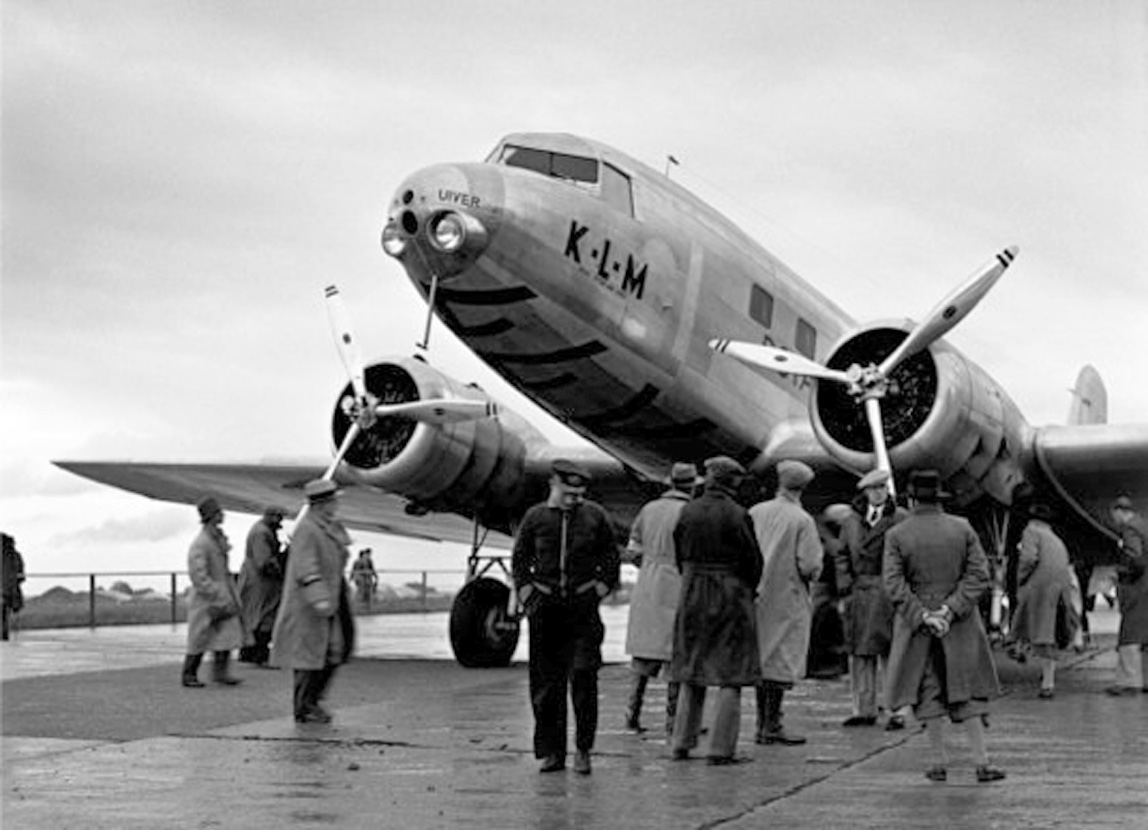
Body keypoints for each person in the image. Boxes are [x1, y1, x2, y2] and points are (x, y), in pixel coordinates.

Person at [884, 470, 1005, 783]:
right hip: (961, 625)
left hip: (918, 627)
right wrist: (950, 610)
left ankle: (938, 764)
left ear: (911, 499)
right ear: (939, 498)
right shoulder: (962, 528)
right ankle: (982, 763)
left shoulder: (897, 535)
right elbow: (980, 575)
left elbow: (894, 584)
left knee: (927, 690)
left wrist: (923, 615)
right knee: (968, 691)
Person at [511, 458, 620, 775]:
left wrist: (600, 587)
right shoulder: (535, 518)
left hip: (582, 609)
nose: (574, 500)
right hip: (545, 610)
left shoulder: (595, 517)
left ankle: (583, 750)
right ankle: (552, 752)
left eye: (579, 495)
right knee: (546, 685)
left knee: (584, 678)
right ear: (553, 486)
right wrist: (527, 593)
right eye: (568, 493)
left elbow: (610, 556)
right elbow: (520, 559)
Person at [669, 456, 762, 765]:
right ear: (732, 482)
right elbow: (752, 561)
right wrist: (746, 588)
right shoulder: (738, 514)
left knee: (690, 671)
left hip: (692, 589)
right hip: (729, 592)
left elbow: (679, 552)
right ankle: (721, 749)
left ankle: (681, 742)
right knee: (731, 674)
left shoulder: (688, 510)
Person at [621, 462, 697, 735]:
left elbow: (633, 549)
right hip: (678, 582)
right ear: (692, 485)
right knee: (676, 656)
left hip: (648, 583)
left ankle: (632, 714)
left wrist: (649, 565)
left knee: (643, 656)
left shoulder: (649, 509)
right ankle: (673, 719)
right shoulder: (690, 511)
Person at [749, 460, 822, 746]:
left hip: (757, 595)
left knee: (761, 659)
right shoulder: (802, 520)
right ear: (803, 487)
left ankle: (760, 723)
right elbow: (810, 565)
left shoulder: (756, 512)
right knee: (780, 661)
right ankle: (772, 724)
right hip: (787, 597)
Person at [272, 479, 356, 723]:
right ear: (323, 504)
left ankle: (311, 702)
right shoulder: (307, 530)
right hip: (311, 606)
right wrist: (320, 600)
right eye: (333, 500)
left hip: (330, 599)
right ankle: (305, 706)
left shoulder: (325, 527)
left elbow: (338, 556)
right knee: (310, 657)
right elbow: (306, 568)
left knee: (331, 652)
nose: (337, 504)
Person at [835, 468, 909, 729]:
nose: (879, 493)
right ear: (866, 492)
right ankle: (863, 709)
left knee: (892, 653)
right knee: (860, 653)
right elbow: (842, 554)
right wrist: (845, 586)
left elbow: (907, 556)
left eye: (882, 488)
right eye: (874, 489)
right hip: (860, 591)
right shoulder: (851, 521)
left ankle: (895, 709)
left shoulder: (900, 519)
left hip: (888, 592)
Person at [1006, 503, 1076, 698]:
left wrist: (1020, 578)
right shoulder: (1055, 538)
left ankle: (1018, 647)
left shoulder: (1031, 531)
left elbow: (1028, 558)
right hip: (1059, 588)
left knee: (1033, 628)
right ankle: (1047, 679)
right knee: (1048, 634)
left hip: (1040, 587)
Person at [182, 497, 245, 688]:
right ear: (212, 516)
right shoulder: (201, 543)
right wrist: (215, 591)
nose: (222, 515)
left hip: (222, 594)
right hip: (207, 599)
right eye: (218, 512)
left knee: (225, 635)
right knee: (199, 637)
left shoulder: (215, 538)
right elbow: (198, 575)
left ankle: (220, 673)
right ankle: (189, 674)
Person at [1106, 495, 1148, 695]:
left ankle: (1129, 681)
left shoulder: (1130, 529)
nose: (1113, 520)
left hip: (1138, 587)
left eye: (1113, 515)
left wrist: (1121, 573)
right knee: (1146, 635)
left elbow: (1135, 559)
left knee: (1130, 634)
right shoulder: (1144, 524)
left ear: (1119, 511)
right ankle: (1145, 678)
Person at [237, 505, 288, 666]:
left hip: (257, 581)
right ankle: (260, 654)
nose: (280, 521)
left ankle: (248, 652)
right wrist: (283, 561)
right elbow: (264, 562)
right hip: (261, 583)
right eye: (278, 517)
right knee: (264, 617)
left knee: (254, 616)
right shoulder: (262, 533)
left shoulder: (261, 530)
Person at [2, 533, 26, 641]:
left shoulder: (14, 557)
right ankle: (3, 636)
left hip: (7, 591)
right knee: (4, 615)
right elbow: (21, 576)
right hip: (10, 591)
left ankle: (3, 636)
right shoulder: (16, 556)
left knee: (3, 615)